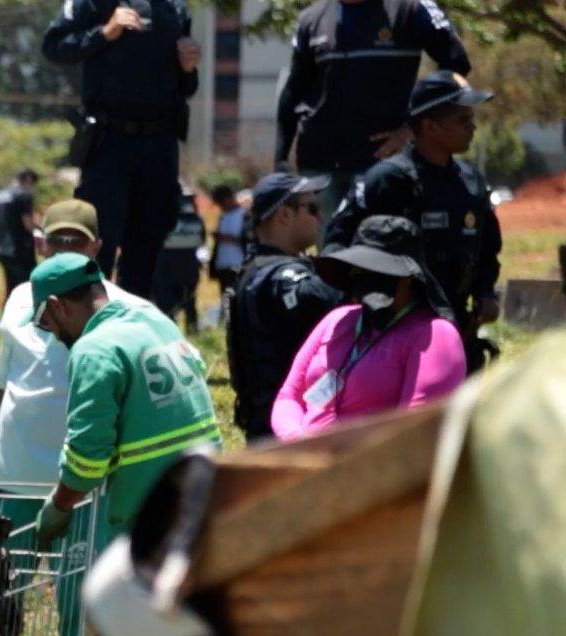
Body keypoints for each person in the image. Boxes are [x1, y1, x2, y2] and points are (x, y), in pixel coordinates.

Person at [29, 252, 222, 636]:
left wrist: (55, 512)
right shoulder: (156, 326)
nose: (54, 336)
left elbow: (85, 459)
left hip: (143, 539)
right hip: (200, 525)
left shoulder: (95, 349)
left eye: (48, 323)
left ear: (58, 307)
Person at [0, 198, 151, 636]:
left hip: (81, 489)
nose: (66, 250)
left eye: (79, 242)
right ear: (39, 246)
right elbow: (3, 383)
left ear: (100, 250)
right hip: (15, 481)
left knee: (77, 621)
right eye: (57, 241)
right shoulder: (19, 299)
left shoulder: (122, 312)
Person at [324, 71, 501, 374]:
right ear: (430, 126)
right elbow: (337, 245)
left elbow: (486, 249)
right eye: (462, 120)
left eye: (472, 118)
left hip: (456, 329)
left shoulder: (471, 181)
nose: (472, 128)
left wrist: (485, 293)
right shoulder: (386, 181)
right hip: (391, 331)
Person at [43, 0, 201, 297]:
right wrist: (105, 32)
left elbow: (186, 87)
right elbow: (54, 46)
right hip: (110, 143)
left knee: (148, 245)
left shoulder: (174, 9)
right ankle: (91, 323)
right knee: (99, 239)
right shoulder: (91, 3)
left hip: (159, 143)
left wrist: (189, 68)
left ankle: (133, 329)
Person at [271, 215, 465, 438]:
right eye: (359, 268)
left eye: (375, 271)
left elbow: (414, 432)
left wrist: (340, 462)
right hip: (308, 465)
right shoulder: (337, 320)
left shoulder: (434, 335)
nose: (363, 277)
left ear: (408, 279)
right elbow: (289, 397)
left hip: (372, 469)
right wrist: (298, 442)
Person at [276, 0, 470, 217]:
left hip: (384, 165)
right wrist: (281, 158)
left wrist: (412, 128)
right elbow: (294, 89)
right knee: (332, 249)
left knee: (386, 243)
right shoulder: (311, 18)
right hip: (322, 165)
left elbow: (457, 61)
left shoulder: (411, 8)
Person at [228, 172, 345, 440]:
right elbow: (325, 298)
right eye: (312, 209)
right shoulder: (275, 277)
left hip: (277, 426)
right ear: (284, 215)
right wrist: (343, 251)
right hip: (283, 433)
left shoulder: (256, 269)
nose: (321, 217)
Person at [152, 182, 206, 331]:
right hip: (189, 268)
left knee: (166, 305)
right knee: (189, 302)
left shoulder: (161, 217)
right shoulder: (197, 219)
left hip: (165, 268)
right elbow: (202, 241)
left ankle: (171, 333)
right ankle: (193, 330)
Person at [0, 167, 40, 296]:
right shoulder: (24, 194)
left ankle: (6, 315)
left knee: (11, 291)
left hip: (2, 248)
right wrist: (42, 228)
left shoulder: (1, 195)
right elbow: (28, 224)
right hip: (20, 249)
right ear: (29, 179)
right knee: (26, 290)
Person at [209, 183, 247, 303]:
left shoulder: (244, 215)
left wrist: (228, 238)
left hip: (238, 265)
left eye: (221, 202)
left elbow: (248, 241)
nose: (220, 206)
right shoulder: (223, 216)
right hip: (222, 265)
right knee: (226, 301)